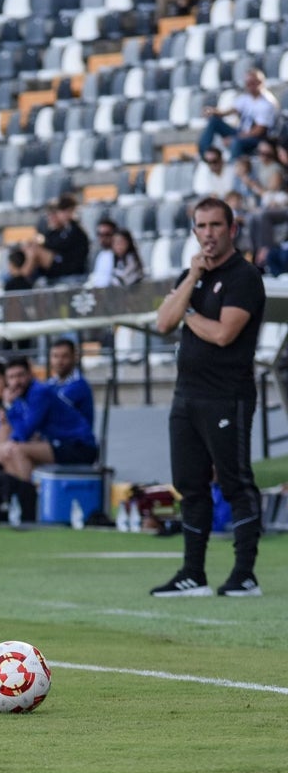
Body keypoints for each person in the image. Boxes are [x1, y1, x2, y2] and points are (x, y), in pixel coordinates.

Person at [151, 196, 266, 597]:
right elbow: (163, 322)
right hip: (187, 397)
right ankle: (192, 573)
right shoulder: (191, 273)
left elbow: (223, 334)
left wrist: (186, 313)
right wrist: (189, 282)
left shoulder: (244, 277)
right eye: (201, 226)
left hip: (226, 396)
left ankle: (245, 573)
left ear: (231, 229)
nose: (208, 234)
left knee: (235, 482)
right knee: (190, 483)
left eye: (216, 226)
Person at [0, 356, 98, 484]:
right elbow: (18, 433)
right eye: (11, 377)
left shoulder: (39, 393)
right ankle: (19, 497)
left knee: (16, 450)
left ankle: (29, 498)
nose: (16, 381)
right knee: (7, 451)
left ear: (30, 374)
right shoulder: (21, 397)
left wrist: (9, 406)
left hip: (79, 446)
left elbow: (25, 432)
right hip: (60, 444)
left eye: (20, 375)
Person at [197, 69, 279, 160]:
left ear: (260, 82)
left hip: (258, 139)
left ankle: (233, 166)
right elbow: (231, 110)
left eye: (253, 82)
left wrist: (234, 138)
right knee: (214, 121)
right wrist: (214, 112)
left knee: (236, 142)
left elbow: (259, 131)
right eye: (247, 83)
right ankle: (204, 155)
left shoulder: (267, 103)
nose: (250, 86)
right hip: (242, 132)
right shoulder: (247, 98)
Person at [22, 194, 91, 283]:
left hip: (69, 267)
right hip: (59, 263)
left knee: (36, 251)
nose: (58, 214)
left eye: (61, 210)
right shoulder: (62, 229)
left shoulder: (75, 230)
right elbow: (51, 241)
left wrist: (41, 243)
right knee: (28, 248)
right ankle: (21, 278)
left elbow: (59, 245)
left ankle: (21, 280)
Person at [46, 338, 94, 429]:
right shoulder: (50, 383)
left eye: (65, 356)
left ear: (74, 357)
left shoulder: (79, 385)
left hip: (75, 440)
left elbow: (48, 409)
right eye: (55, 356)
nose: (59, 361)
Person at [87, 219, 117, 288]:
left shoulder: (118, 255)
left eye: (107, 234)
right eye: (100, 234)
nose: (103, 238)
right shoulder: (101, 255)